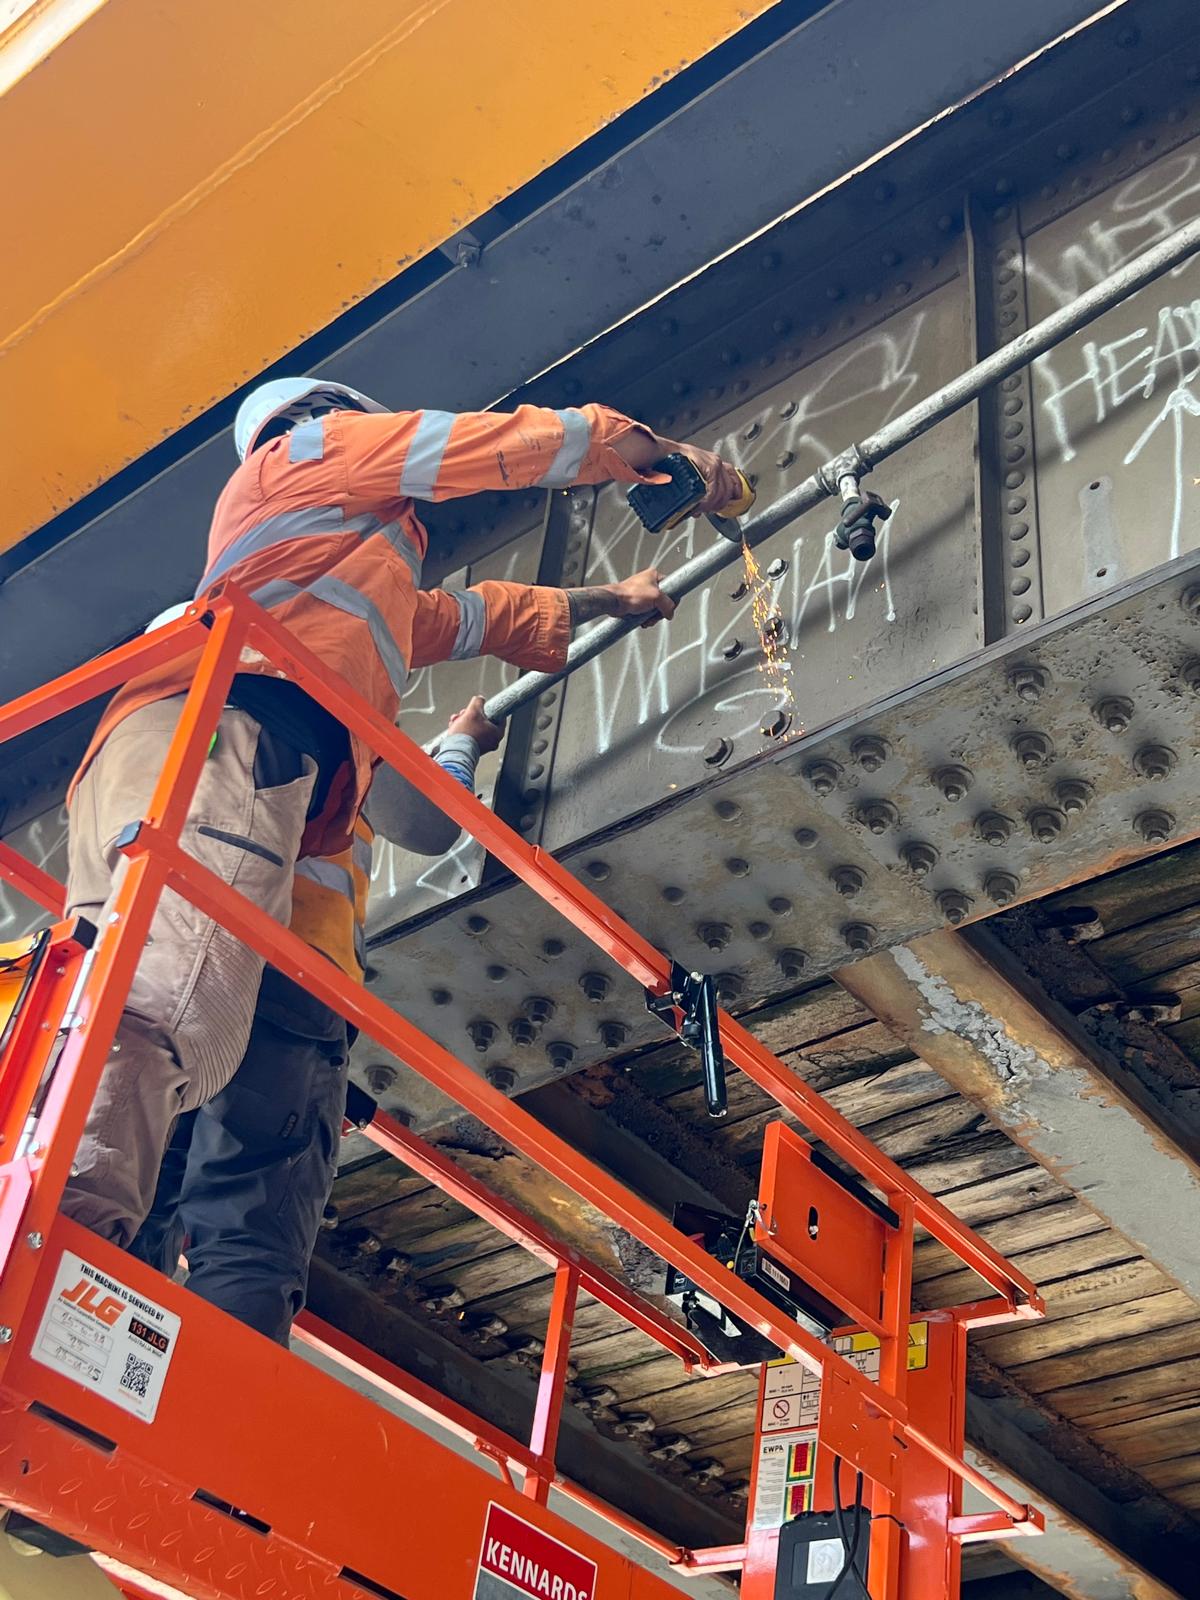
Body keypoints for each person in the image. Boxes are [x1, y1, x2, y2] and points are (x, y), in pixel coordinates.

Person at [62, 377, 743, 1251]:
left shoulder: (324, 567)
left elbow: (463, 617)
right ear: (317, 417)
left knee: (139, 1021)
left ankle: (100, 1291)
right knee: (166, 1004)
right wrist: (646, 451)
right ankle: (64, 1254)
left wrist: (611, 599)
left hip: (166, 750)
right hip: (221, 735)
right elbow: (477, 447)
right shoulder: (308, 453)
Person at [130, 695, 502, 1344]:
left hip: (166, 975)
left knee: (141, 1195)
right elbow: (426, 821)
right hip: (288, 977)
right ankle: (210, 1423)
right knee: (250, 1216)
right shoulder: (325, 699)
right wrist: (463, 740)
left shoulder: (168, 714)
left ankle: (89, 1390)